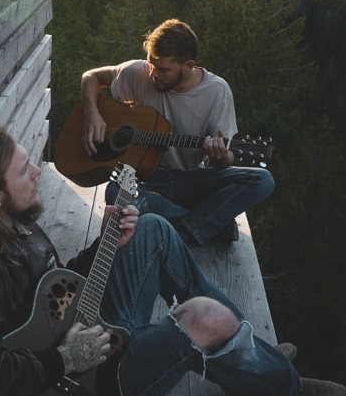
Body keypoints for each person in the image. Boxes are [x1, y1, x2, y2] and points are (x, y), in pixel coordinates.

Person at [0, 122, 346, 396]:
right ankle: (283, 388)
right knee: (204, 318)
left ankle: (253, 356)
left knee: (151, 228)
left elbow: (52, 293)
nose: (38, 171)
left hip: (85, 338)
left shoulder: (11, 221)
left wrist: (105, 247)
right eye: (24, 170)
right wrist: (61, 360)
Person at [81, 18, 274, 245]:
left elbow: (224, 163)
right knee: (114, 192)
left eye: (162, 69)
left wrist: (220, 156)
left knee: (262, 180)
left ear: (188, 66)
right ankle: (204, 226)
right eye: (151, 64)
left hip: (191, 180)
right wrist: (91, 113)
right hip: (146, 180)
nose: (153, 74)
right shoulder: (139, 73)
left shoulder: (217, 92)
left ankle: (180, 227)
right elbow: (91, 77)